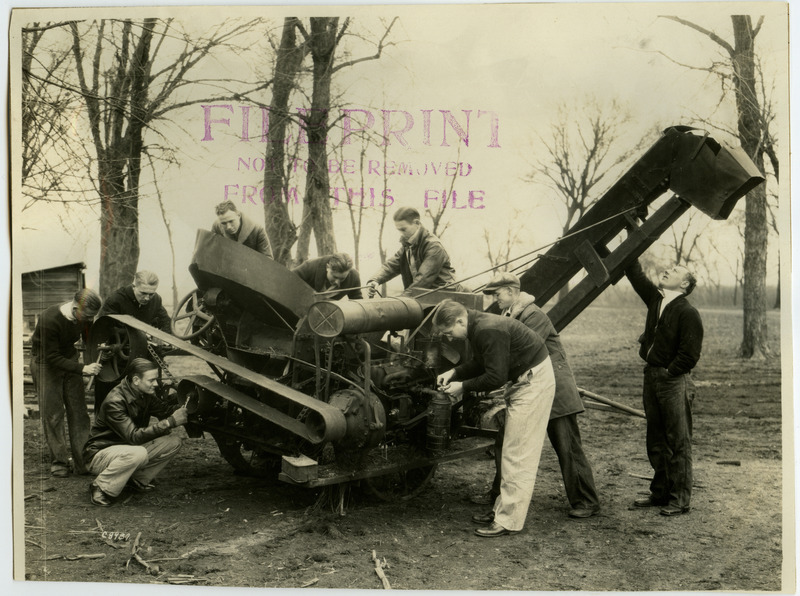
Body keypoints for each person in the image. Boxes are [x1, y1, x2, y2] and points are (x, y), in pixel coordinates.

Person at [478, 272, 600, 519]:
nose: (495, 298)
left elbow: (518, 353)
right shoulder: (509, 315)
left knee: (566, 445)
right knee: (506, 443)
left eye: (497, 293)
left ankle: (587, 500)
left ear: (512, 292)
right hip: (529, 388)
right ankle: (498, 497)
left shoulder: (534, 315)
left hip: (554, 390)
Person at [434, 299, 554, 537]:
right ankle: (502, 510)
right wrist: (455, 372)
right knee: (510, 450)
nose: (451, 338)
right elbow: (482, 362)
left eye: (449, 332)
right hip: (525, 379)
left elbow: (495, 377)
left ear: (460, 320)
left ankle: (509, 520)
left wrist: (462, 387)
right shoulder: (477, 325)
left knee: (517, 453)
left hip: (532, 383)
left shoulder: (487, 329)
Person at [625, 260, 703, 517]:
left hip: (673, 380)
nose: (669, 269)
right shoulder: (656, 301)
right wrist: (629, 237)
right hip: (652, 377)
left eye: (676, 271)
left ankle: (679, 499)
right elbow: (634, 273)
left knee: (678, 440)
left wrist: (669, 372)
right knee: (656, 439)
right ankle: (659, 493)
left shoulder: (687, 312)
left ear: (684, 284)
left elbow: (689, 355)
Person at [83, 358, 189, 507]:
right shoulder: (115, 401)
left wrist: (183, 398)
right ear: (136, 380)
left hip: (126, 449)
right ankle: (101, 486)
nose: (155, 384)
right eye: (151, 380)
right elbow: (133, 437)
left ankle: (136, 480)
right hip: (99, 454)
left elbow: (164, 411)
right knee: (138, 453)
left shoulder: (144, 394)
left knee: (174, 441)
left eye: (156, 380)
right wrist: (170, 422)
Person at [30, 288, 103, 477]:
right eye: (87, 315)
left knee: (79, 412)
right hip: (46, 363)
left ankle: (83, 461)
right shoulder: (49, 319)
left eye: (92, 317)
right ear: (76, 306)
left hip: (69, 358)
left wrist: (100, 349)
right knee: (53, 414)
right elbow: (52, 356)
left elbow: (89, 340)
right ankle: (60, 461)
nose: (89, 320)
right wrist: (82, 369)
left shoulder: (87, 317)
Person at [94, 271, 172, 411]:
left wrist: (165, 337)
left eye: (151, 294)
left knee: (141, 398)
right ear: (134, 286)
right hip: (117, 359)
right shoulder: (116, 299)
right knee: (109, 400)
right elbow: (102, 326)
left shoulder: (156, 300)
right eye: (143, 293)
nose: (147, 298)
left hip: (142, 357)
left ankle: (137, 429)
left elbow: (165, 320)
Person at [366, 207, 468, 296]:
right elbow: (391, 266)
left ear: (417, 223)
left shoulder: (434, 246)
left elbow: (423, 280)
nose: (401, 234)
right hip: (424, 296)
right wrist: (374, 281)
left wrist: (400, 301)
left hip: (444, 297)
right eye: (399, 230)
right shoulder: (408, 245)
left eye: (403, 229)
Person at [292, 253, 363, 300]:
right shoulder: (309, 267)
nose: (337, 282)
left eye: (342, 279)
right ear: (327, 267)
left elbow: (357, 300)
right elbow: (288, 281)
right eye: (335, 277)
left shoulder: (354, 277)